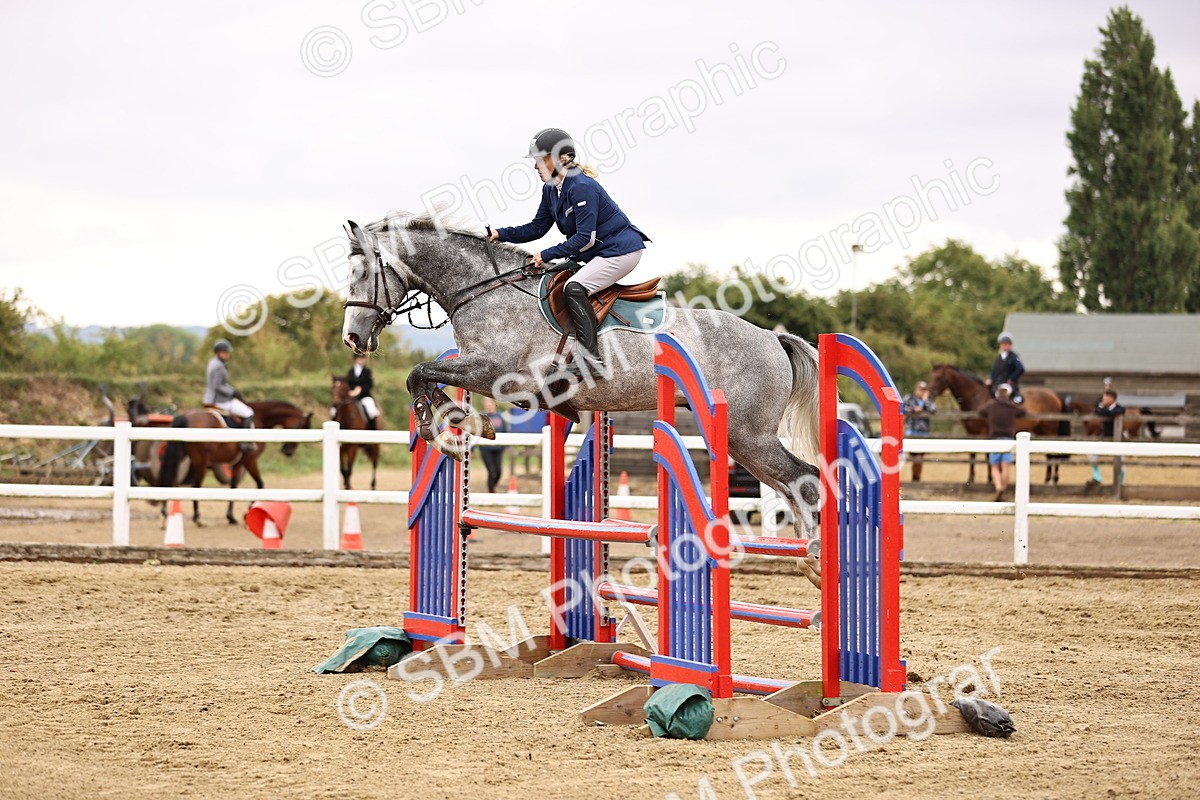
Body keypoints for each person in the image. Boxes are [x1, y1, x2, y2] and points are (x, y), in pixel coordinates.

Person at [491, 128, 650, 378]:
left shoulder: (581, 186)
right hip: (596, 252)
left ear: (557, 159)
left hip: (620, 251)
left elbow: (585, 237)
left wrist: (546, 254)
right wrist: (500, 234)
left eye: (538, 160)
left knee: (574, 287)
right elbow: (537, 228)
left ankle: (592, 360)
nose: (534, 168)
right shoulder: (551, 189)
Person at [203, 339, 256, 452]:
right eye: (225, 352)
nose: (228, 355)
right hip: (220, 400)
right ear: (219, 353)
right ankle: (245, 442)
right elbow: (218, 385)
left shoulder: (213, 362)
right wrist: (232, 392)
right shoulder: (219, 366)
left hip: (211, 397)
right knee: (248, 412)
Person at [979, 384, 1025, 501]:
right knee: (1005, 466)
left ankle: (998, 487)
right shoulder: (1011, 407)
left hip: (995, 439)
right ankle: (1003, 489)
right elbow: (1023, 412)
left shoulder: (992, 406)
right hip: (1008, 439)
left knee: (994, 466)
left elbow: (981, 411)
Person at [1088, 389, 1126, 485]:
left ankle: (1120, 483)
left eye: (1105, 398)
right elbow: (1097, 411)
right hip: (1105, 439)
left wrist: (1104, 411)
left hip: (1118, 441)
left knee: (1121, 463)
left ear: (1111, 398)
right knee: (1092, 454)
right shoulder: (1105, 409)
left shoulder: (1120, 408)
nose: (1103, 400)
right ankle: (1097, 476)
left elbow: (1112, 413)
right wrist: (1103, 410)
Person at [333, 354, 380, 429]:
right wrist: (350, 391)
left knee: (372, 411)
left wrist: (360, 389)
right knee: (334, 411)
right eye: (359, 358)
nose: (361, 360)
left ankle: (373, 431)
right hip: (351, 397)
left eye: (363, 358)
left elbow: (370, 384)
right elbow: (347, 384)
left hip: (364, 396)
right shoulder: (350, 371)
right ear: (355, 359)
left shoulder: (367, 371)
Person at [902, 381, 936, 482]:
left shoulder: (928, 400)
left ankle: (916, 478)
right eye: (921, 389)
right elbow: (903, 408)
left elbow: (933, 409)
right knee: (915, 458)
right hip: (912, 432)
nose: (922, 392)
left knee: (920, 457)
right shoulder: (909, 398)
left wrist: (925, 401)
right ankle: (915, 477)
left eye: (924, 390)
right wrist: (914, 409)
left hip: (924, 433)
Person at [476, 398, 508, 494]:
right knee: (491, 471)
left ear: (494, 404)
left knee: (498, 472)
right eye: (486, 404)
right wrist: (472, 449)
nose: (488, 406)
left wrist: (505, 446)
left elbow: (505, 431)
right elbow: (476, 432)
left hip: (498, 448)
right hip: (485, 449)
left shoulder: (500, 416)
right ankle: (491, 492)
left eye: (490, 404)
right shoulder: (482, 416)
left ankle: (493, 487)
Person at [985, 332, 1025, 402]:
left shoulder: (1013, 357)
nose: (1005, 346)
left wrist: (1011, 378)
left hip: (1008, 385)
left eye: (1006, 344)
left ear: (1010, 345)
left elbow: (1020, 368)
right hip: (997, 384)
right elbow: (994, 371)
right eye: (1003, 344)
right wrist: (990, 379)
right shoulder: (998, 358)